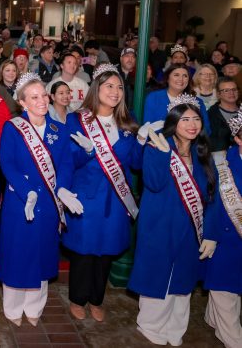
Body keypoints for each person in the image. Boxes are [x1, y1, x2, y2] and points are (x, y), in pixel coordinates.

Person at [129, 95, 218, 346]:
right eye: (185, 119)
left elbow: (212, 197)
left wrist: (210, 233)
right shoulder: (158, 145)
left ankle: (175, 329)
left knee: (183, 280)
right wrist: (161, 155)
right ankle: (150, 325)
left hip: (190, 229)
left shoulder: (203, 155)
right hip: (159, 226)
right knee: (158, 276)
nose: (192, 124)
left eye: (196, 118)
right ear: (174, 122)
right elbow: (154, 184)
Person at [0, 73, 81, 326]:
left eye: (44, 95)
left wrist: (63, 189)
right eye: (34, 97)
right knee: (17, 253)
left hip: (48, 203)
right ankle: (13, 308)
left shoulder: (59, 129)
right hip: (20, 202)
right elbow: (7, 164)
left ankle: (35, 307)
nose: (42, 100)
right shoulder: (12, 128)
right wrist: (26, 190)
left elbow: (66, 163)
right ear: (22, 103)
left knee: (42, 253)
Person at [62, 64, 144, 322]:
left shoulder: (128, 124)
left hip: (116, 199)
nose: (115, 91)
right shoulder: (77, 119)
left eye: (119, 87)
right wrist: (84, 151)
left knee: (106, 251)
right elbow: (66, 160)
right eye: (109, 86)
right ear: (97, 89)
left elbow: (136, 164)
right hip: (86, 196)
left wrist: (141, 143)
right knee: (84, 251)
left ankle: (97, 299)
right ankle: (78, 298)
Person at [204, 108, 242, 348]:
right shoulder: (223, 166)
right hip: (226, 239)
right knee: (224, 289)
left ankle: (211, 318)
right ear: (238, 138)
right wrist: (210, 235)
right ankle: (235, 341)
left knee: (234, 290)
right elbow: (214, 204)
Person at [143, 64, 211, 134]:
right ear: (167, 78)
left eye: (185, 76)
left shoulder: (197, 102)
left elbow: (206, 130)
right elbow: (148, 126)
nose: (181, 79)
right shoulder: (154, 97)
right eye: (176, 75)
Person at [208, 77, 240, 153]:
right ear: (219, 94)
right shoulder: (210, 115)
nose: (231, 93)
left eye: (234, 89)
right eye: (226, 90)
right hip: (221, 160)